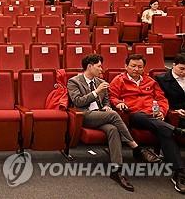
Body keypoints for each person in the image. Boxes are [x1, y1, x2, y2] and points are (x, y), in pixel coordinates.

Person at [67, 54, 160, 192]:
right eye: (99, 66)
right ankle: (135, 147)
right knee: (113, 115)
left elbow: (106, 99)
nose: (101, 69)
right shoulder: (74, 81)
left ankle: (116, 170)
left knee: (113, 130)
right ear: (89, 66)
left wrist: (106, 106)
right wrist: (96, 92)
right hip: (84, 116)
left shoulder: (100, 81)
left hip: (102, 115)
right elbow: (78, 102)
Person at [109, 54, 185, 194]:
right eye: (133, 66)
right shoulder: (119, 80)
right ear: (126, 66)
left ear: (144, 68)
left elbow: (161, 98)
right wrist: (119, 103)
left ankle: (179, 173)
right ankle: (175, 129)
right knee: (144, 118)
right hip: (134, 116)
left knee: (165, 132)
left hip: (154, 117)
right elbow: (112, 97)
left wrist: (162, 111)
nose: (136, 69)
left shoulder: (150, 81)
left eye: (140, 67)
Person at [156, 54, 185, 119]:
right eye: (182, 69)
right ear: (174, 65)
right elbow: (161, 100)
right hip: (175, 113)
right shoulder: (160, 79)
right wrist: (173, 110)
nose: (184, 72)